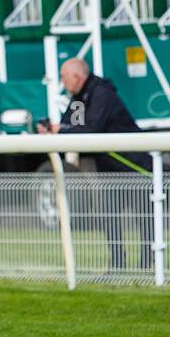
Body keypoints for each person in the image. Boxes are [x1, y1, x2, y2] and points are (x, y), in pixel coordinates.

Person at [38, 58, 152, 270]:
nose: (62, 83)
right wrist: (52, 129)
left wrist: (60, 130)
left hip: (134, 165)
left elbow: (91, 130)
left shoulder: (102, 93)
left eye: (64, 78)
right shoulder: (79, 98)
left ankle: (147, 265)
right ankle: (117, 265)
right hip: (109, 169)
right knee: (109, 216)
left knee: (144, 218)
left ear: (76, 77)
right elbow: (71, 125)